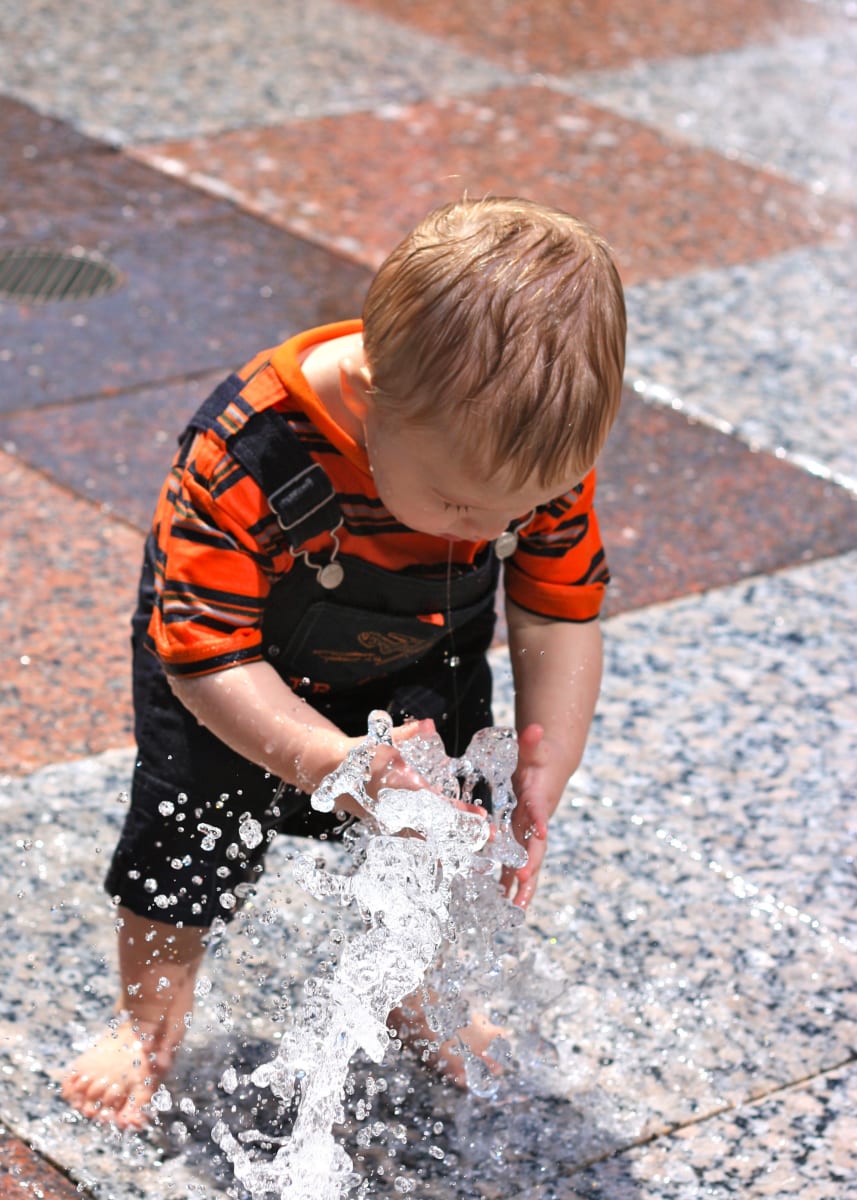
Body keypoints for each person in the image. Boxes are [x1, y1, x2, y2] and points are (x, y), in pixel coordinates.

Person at [62, 196, 626, 1129]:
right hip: (237, 666)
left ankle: (416, 999)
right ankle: (146, 1024)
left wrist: (542, 759)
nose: (491, 531)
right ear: (368, 395)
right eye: (455, 504)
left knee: (454, 832)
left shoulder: (532, 454)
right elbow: (206, 659)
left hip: (423, 641)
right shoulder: (250, 452)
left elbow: (557, 612)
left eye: (515, 513)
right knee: (183, 838)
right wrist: (331, 764)